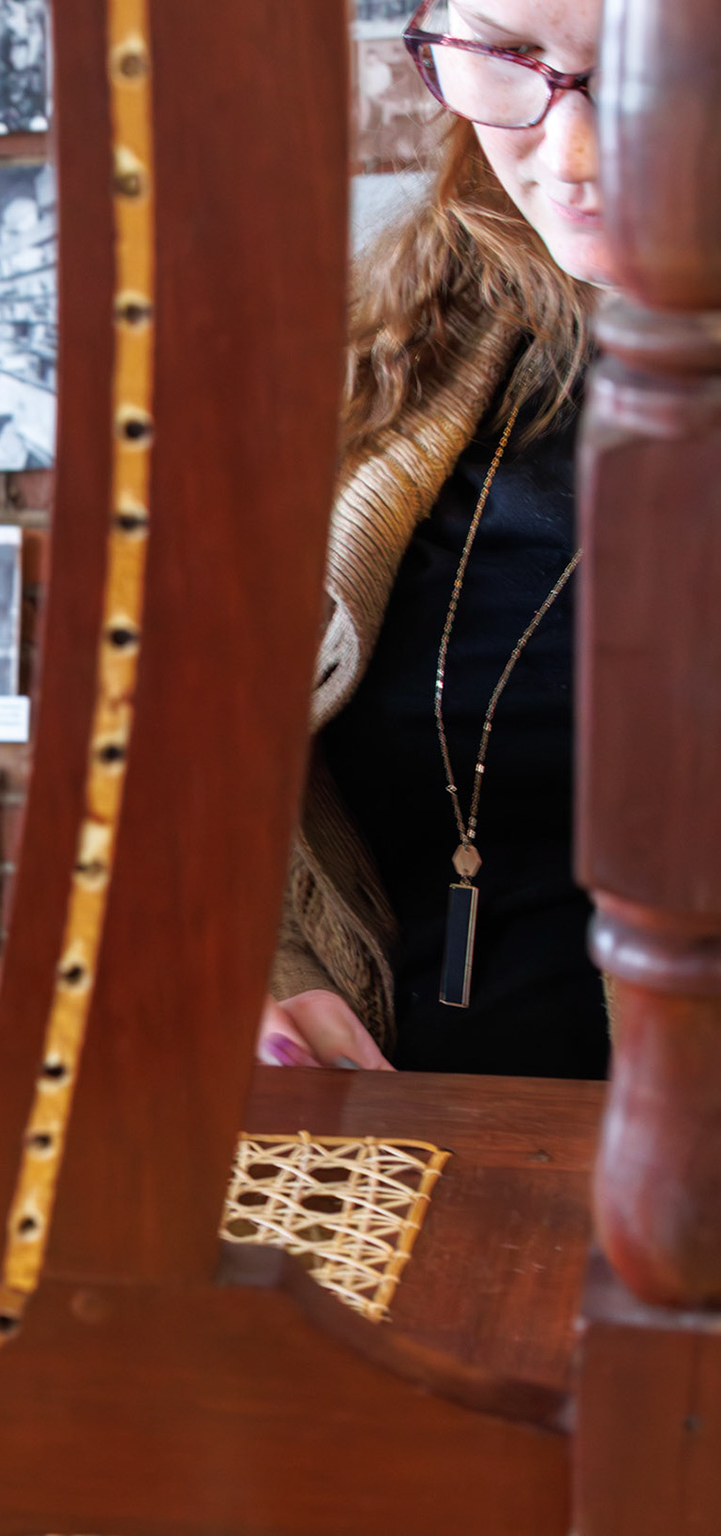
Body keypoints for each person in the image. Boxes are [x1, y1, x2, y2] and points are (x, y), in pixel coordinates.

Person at [261, 0, 609, 1077]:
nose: (575, 156)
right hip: (398, 1147)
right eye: (507, 55)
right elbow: (200, 768)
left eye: (656, 73)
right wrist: (268, 971)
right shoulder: (387, 353)